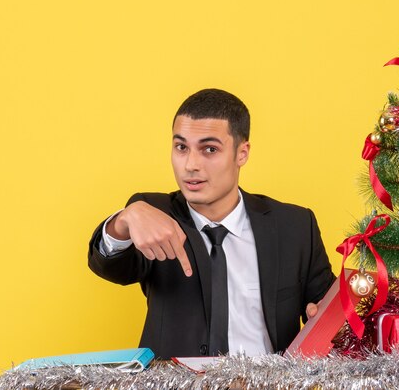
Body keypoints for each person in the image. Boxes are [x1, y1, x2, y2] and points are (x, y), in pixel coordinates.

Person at [88, 88, 335, 359]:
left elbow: (326, 310)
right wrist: (124, 220)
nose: (191, 165)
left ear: (242, 153)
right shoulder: (153, 213)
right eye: (181, 147)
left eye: (209, 149)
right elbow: (111, 266)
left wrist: (326, 314)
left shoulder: (295, 226)